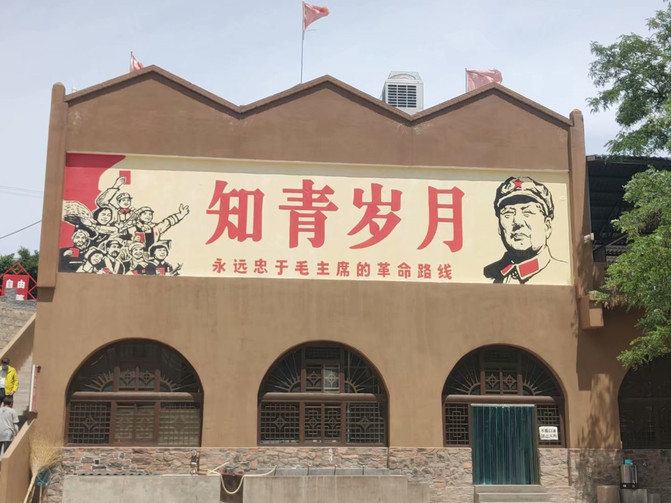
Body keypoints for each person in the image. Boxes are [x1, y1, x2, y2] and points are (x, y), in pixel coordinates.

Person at [483, 176, 565, 284]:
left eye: (528, 212)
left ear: (547, 226)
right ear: (499, 227)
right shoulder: (488, 275)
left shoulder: (562, 274)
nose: (518, 222)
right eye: (508, 213)